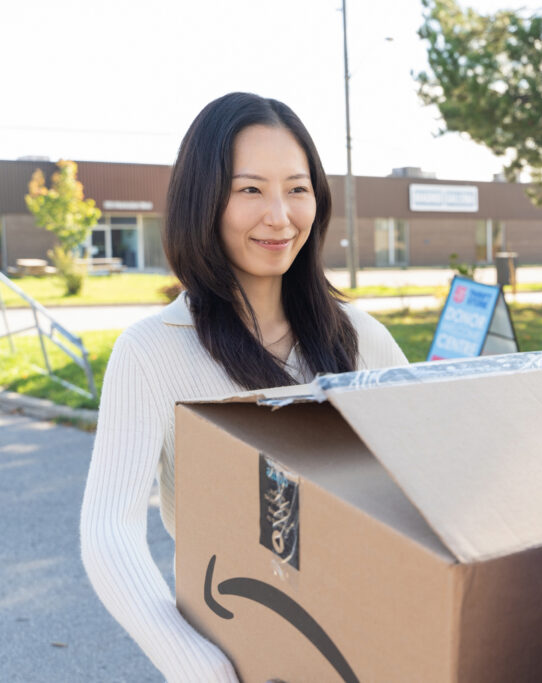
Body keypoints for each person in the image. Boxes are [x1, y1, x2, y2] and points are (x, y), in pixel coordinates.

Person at [80, 92, 408, 682]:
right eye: (250, 189)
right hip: (238, 651)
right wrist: (196, 664)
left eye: (298, 188)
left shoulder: (360, 336)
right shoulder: (152, 352)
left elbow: (427, 478)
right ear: (202, 200)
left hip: (368, 646)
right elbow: (108, 532)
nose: (279, 215)